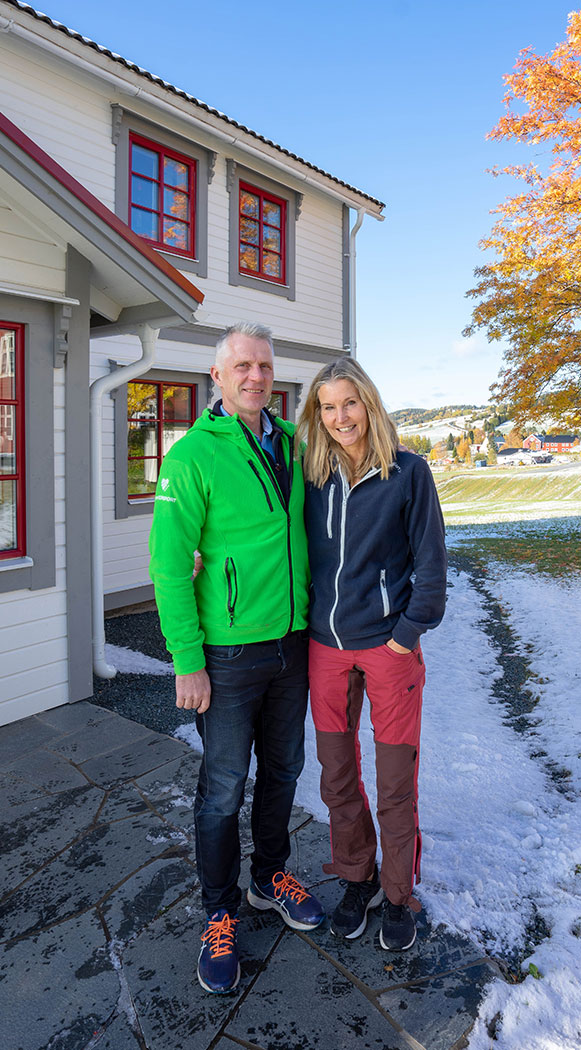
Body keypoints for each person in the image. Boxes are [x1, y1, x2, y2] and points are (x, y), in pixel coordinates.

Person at [149, 321, 324, 995]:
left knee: (284, 766)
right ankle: (219, 912)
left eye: (264, 366)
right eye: (242, 366)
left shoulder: (289, 444)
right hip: (225, 654)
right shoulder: (193, 454)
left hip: (293, 641)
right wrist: (186, 659)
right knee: (223, 787)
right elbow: (169, 565)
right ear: (216, 378)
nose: (256, 376)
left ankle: (268, 877)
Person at [297, 358, 447, 951]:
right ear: (318, 414)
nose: (341, 417)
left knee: (393, 782)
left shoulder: (408, 473)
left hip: (388, 649)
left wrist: (405, 635)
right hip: (325, 649)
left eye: (350, 403)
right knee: (337, 776)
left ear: (370, 404)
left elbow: (432, 568)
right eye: (328, 407)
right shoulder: (309, 476)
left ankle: (397, 893)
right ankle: (355, 876)